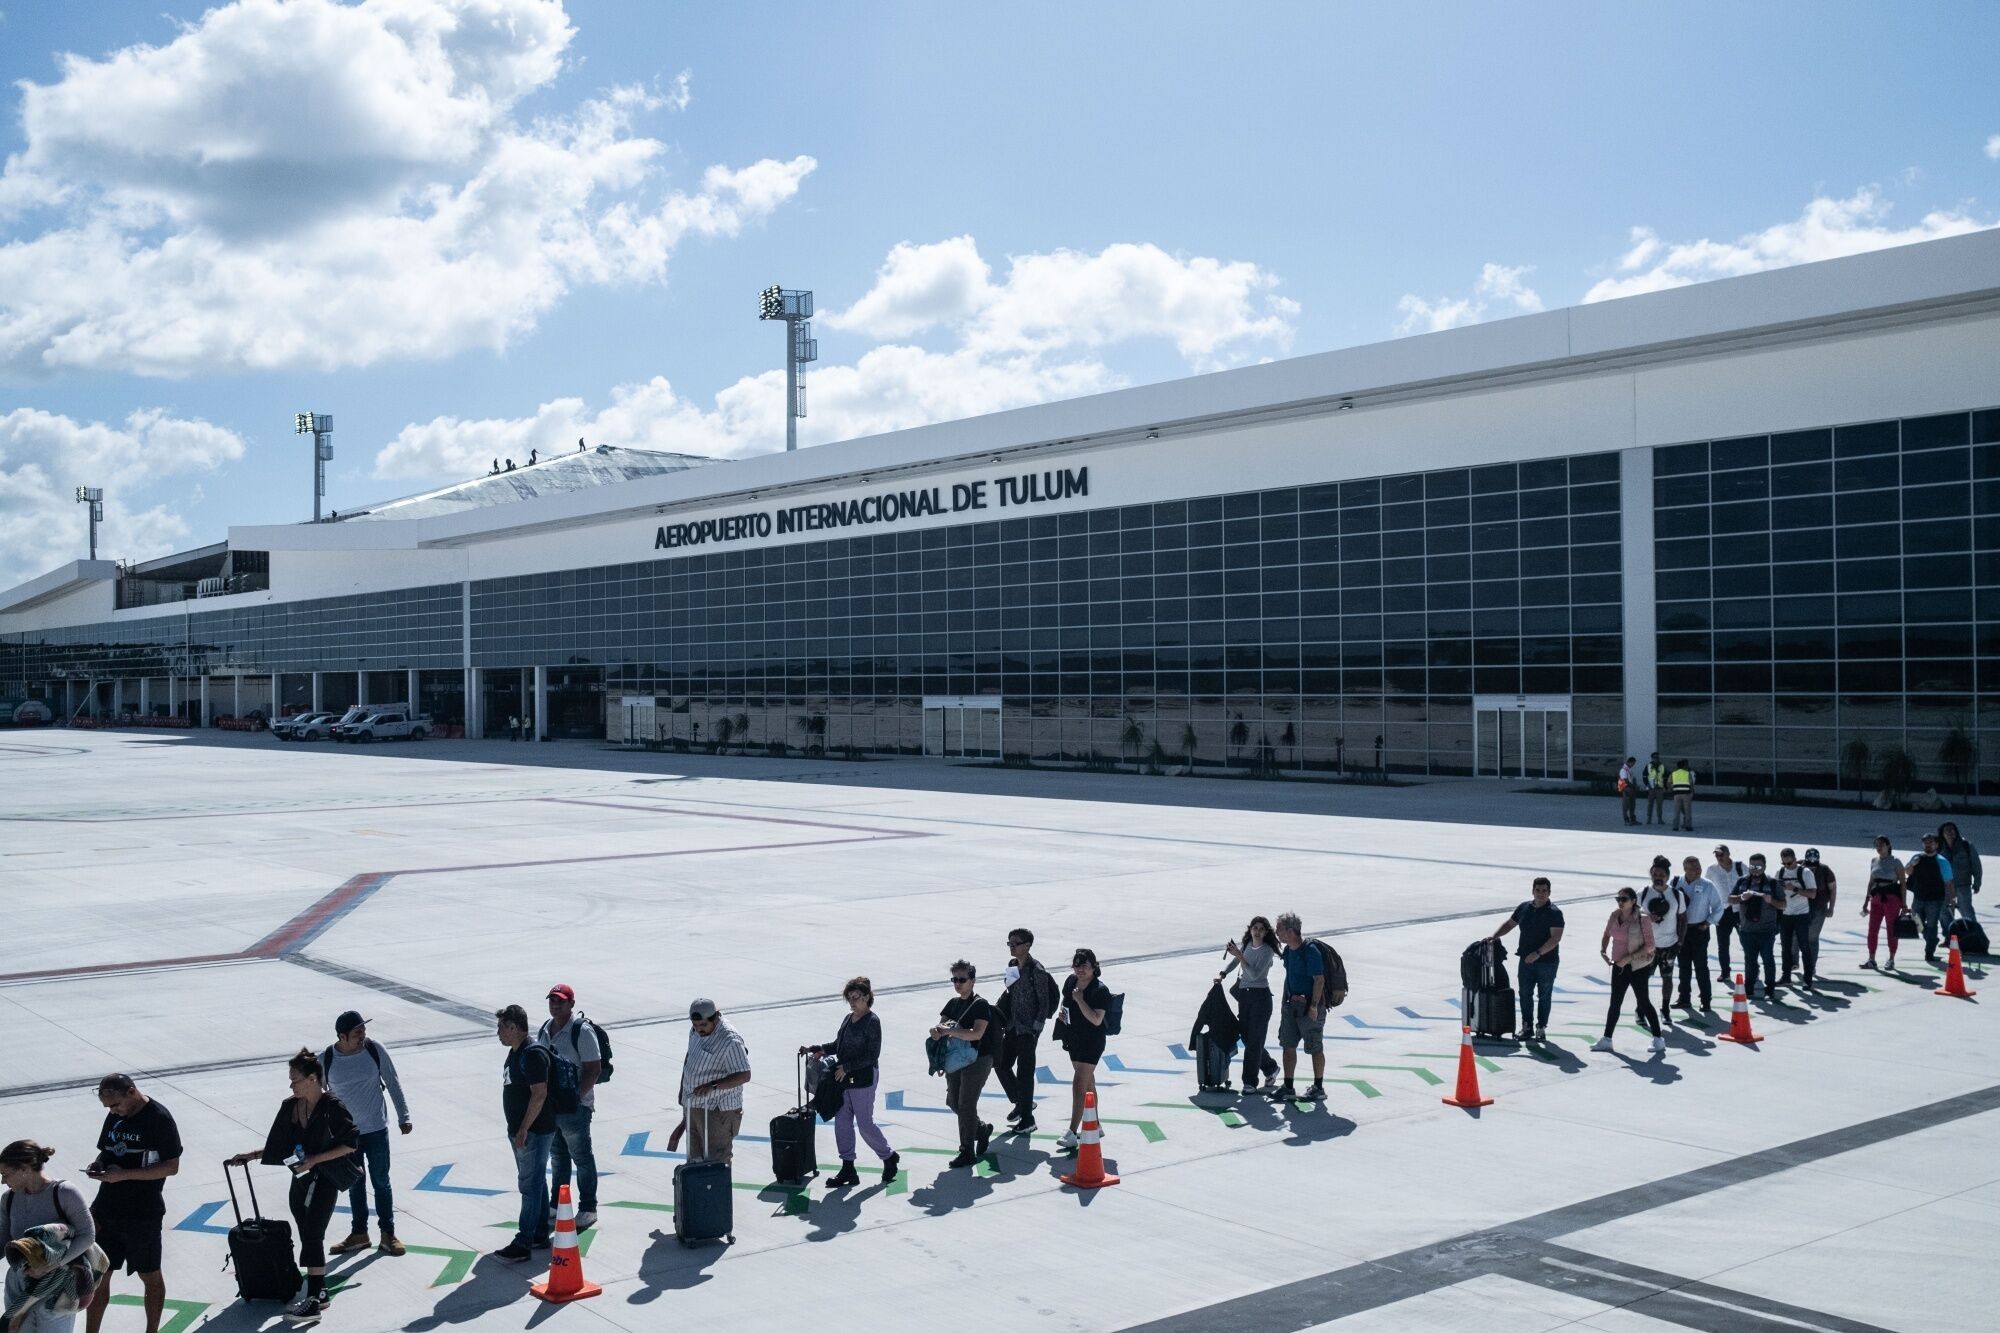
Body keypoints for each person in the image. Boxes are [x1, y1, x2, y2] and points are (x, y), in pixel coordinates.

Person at [224, 1050, 360, 1319]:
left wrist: (316, 1159)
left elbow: (351, 1143)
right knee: (306, 1232)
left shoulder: (332, 1107)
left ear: (312, 1079)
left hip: (325, 1178)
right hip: (300, 1179)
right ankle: (317, 1292)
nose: (291, 1085)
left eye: (295, 1080)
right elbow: (280, 1144)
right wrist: (250, 1155)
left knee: (313, 1234)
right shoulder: (291, 1106)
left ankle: (316, 1298)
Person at [82, 1075, 180, 1333]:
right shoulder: (115, 1116)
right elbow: (108, 1149)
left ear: (131, 1093)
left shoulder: (159, 1119)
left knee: (150, 1276)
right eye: (108, 1107)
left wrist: (123, 1175)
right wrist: (99, 1164)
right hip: (107, 1209)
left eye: (115, 1105)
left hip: (142, 1213)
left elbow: (171, 1167)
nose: (113, 1111)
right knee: (99, 1276)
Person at [321, 1013, 411, 1259]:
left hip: (377, 1130)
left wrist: (404, 1116)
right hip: (347, 1137)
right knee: (355, 1184)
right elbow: (314, 1097)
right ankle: (359, 1233)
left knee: (381, 1181)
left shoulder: (374, 1049)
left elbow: (392, 1081)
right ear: (342, 1036)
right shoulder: (327, 1059)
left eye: (363, 1031)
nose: (363, 1036)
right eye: (357, 1033)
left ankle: (388, 1234)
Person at [803, 977, 898, 1187]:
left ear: (866, 997)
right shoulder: (848, 1018)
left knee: (865, 1124)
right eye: (850, 999)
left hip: (863, 1078)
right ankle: (848, 1168)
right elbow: (839, 1044)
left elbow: (872, 1055)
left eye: (856, 998)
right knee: (842, 1122)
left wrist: (847, 1067)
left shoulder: (872, 1021)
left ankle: (888, 1156)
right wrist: (819, 1049)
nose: (853, 1003)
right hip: (843, 1078)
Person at [2, 1140, 97, 1333]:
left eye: (5, 1174)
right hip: (20, 1284)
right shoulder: (8, 1198)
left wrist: (51, 1265)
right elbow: (2, 1239)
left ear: (24, 1169)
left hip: (58, 1285)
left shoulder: (64, 1193)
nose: (3, 1181)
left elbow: (87, 1235)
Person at [491, 1006, 553, 1263]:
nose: (498, 1033)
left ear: (514, 1027)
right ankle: (539, 1233)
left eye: (501, 1027)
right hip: (523, 1132)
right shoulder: (516, 1053)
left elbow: (539, 1094)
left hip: (533, 1133)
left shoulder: (533, 1054)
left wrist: (524, 1128)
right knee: (536, 1182)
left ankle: (524, 1241)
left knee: (529, 1187)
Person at [537, 985, 600, 1231]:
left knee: (582, 1158)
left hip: (575, 1108)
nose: (555, 1005)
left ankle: (588, 1208)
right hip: (552, 1108)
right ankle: (558, 1204)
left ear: (571, 1004)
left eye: (561, 1002)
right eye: (552, 1001)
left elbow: (593, 1069)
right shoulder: (545, 1028)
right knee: (559, 1158)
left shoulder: (581, 1031)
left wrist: (575, 1097)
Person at [931, 962, 1000, 1168]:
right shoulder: (952, 1004)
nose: (958, 984)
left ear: (973, 981)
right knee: (953, 1102)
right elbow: (941, 1026)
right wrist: (936, 1032)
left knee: (966, 1104)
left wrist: (948, 1031)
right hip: (956, 1060)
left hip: (979, 1058)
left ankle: (967, 1151)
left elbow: (977, 1033)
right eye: (955, 980)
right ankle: (981, 1130)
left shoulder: (980, 1004)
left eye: (962, 980)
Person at [668, 999, 751, 1165]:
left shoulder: (730, 1040)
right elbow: (689, 1058)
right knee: (695, 1161)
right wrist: (683, 1095)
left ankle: (718, 1191)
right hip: (694, 1105)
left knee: (716, 1162)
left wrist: (713, 1086)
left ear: (716, 1017)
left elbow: (744, 1075)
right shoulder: (695, 1031)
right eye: (695, 1025)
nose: (699, 1030)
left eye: (703, 1025)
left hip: (717, 1110)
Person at [994, 928, 1058, 1135]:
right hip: (1012, 1026)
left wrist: (1036, 1028)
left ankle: (1028, 1120)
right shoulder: (1012, 965)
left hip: (1028, 1030)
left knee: (1025, 1073)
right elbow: (1010, 991)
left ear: (1028, 945)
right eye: (1009, 943)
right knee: (1001, 1064)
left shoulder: (1037, 971)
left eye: (1016, 943)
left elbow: (1044, 1002)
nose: (1012, 947)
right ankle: (1022, 1103)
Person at [1487, 878, 1563, 1040]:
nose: (1541, 894)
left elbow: (1555, 938)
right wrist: (1495, 936)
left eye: (1544, 891)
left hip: (1546, 962)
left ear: (1549, 892)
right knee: (1525, 994)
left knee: (1544, 995)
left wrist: (1538, 953)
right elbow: (1509, 924)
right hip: (1525, 961)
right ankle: (1526, 1026)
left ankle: (1541, 1027)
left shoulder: (1554, 913)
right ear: (1532, 891)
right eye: (1538, 890)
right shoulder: (1524, 908)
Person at [1595, 890, 1664, 1055]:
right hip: (1619, 966)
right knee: (1615, 1002)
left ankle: (1658, 1039)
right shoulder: (1614, 915)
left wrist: (1628, 958)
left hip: (1638, 966)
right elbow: (1606, 934)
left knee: (1643, 1001)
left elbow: (1650, 946)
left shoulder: (1643, 918)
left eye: (1624, 899)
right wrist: (1603, 951)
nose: (1620, 902)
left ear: (1633, 901)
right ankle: (1607, 1039)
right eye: (1618, 899)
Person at [1056, 949, 1113, 1148]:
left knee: (1079, 1083)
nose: (1080, 970)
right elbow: (1065, 1003)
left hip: (1092, 1042)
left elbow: (1097, 1020)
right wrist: (1063, 1014)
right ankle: (1095, 1124)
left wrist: (1080, 1000)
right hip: (1074, 1039)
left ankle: (1072, 1131)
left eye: (1084, 966)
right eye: (1076, 965)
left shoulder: (1099, 990)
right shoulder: (1070, 982)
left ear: (1094, 967)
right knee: (1088, 1084)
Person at [1220, 916, 1282, 1086]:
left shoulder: (1267, 950)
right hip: (1244, 995)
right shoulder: (1247, 945)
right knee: (1248, 1038)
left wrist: (1240, 955)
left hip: (1260, 997)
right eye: (1255, 927)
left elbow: (1255, 975)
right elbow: (1235, 962)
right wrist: (1223, 974)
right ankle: (1270, 1068)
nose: (1257, 931)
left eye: (1261, 928)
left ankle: (1249, 1082)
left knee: (1254, 1041)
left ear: (1266, 932)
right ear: (1250, 929)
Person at [1270, 913, 1326, 1102]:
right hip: (1291, 1007)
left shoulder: (1310, 950)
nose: (1277, 932)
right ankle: (1288, 1086)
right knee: (1288, 1046)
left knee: (1315, 1047)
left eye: (1279, 929)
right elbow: (1289, 976)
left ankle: (1318, 1087)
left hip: (1310, 1008)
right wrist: (1285, 1001)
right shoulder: (1289, 951)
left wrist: (1314, 1006)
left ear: (1290, 931)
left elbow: (1319, 980)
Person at [1636, 858, 1686, 1024]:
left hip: (1669, 945)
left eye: (1662, 874)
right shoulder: (1641, 893)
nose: (1658, 877)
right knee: (1643, 979)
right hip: (1647, 946)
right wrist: (1646, 918)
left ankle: (1665, 1009)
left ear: (1667, 876)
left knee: (1667, 978)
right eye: (1655, 874)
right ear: (1650, 874)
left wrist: (1679, 942)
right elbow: (1631, 917)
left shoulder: (1676, 895)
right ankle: (1640, 1008)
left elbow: (1682, 918)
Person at [1671, 856, 1722, 1015]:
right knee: (1684, 966)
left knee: (1701, 967)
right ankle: (1684, 998)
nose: (1697, 870)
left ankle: (1706, 1000)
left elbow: (1718, 907)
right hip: (1681, 931)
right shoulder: (1675, 883)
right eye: (1693, 868)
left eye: (1699, 867)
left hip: (1699, 929)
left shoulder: (1707, 885)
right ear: (1685, 869)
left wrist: (1707, 923)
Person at [1733, 856, 1783, 1000]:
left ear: (1764, 867)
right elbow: (1730, 899)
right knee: (1750, 960)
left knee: (1768, 960)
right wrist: (1742, 898)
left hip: (1766, 930)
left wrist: (1771, 900)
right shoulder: (1742, 881)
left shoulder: (1772, 883)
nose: (1755, 871)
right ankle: (1749, 989)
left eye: (1758, 867)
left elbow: (1783, 904)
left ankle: (1770, 990)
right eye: (1752, 867)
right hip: (1747, 930)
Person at [1905, 833, 1955, 964]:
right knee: (1917, 923)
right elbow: (1907, 871)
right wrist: (1912, 864)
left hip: (1935, 899)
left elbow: (1948, 882)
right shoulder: (1917, 858)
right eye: (1925, 842)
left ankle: (1929, 953)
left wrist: (1950, 900)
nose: (1928, 844)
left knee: (1932, 925)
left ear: (1936, 844)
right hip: (1919, 897)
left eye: (1931, 842)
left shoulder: (1942, 861)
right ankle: (1932, 940)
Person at [1774, 848, 1819, 991]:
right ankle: (1786, 976)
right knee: (1785, 947)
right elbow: (1775, 892)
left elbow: (1812, 894)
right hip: (1786, 914)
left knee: (1804, 946)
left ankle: (1807, 979)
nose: (1787, 866)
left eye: (1789, 863)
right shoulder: (1779, 873)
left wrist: (1795, 889)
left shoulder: (1805, 872)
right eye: (1784, 863)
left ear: (1795, 859)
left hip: (1801, 914)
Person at [1860, 836, 1906, 971]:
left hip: (1892, 898)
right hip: (1876, 898)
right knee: (1872, 929)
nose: (1879, 847)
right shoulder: (1874, 861)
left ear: (1888, 846)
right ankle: (1871, 958)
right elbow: (1871, 882)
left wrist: (1904, 904)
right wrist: (1866, 900)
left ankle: (1891, 959)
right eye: (1877, 845)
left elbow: (1903, 884)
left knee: (1892, 930)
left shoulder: (1896, 862)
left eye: (1881, 845)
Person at [1707, 845, 1744, 981]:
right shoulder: (1712, 870)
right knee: (1723, 944)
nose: (1719, 857)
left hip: (1740, 910)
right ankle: (1725, 972)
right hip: (1722, 911)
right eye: (1717, 855)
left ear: (1728, 853)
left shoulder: (1740, 867)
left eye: (1722, 854)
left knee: (1746, 942)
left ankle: (1753, 969)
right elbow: (1707, 889)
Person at [1802, 849, 1837, 986]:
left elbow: (1833, 889)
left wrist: (1831, 907)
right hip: (1801, 908)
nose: (1811, 869)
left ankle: (1811, 967)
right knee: (1794, 937)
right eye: (1809, 866)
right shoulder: (1800, 869)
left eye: (1814, 866)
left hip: (1819, 909)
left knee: (1812, 938)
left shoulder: (1825, 870)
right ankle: (1794, 962)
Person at [1937, 821, 1981, 924]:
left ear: (1956, 832)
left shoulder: (1966, 846)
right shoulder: (1938, 847)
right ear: (1942, 834)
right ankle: (1950, 935)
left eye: (1952, 830)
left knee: (1967, 912)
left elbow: (1976, 865)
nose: (1950, 832)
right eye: (1947, 830)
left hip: (1963, 885)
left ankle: (1973, 934)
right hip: (1945, 886)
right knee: (1945, 913)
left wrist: (1977, 882)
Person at [1669, 759, 1696, 832]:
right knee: (1687, 811)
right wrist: (1692, 793)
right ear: (1684, 766)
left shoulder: (1673, 773)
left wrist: (1672, 790)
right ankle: (1688, 826)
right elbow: (1691, 784)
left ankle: (1675, 827)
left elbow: (1669, 783)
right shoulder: (1687, 773)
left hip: (1677, 794)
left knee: (1676, 811)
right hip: (1686, 794)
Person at [1643, 752, 1666, 826]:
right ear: (1652, 758)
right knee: (1650, 804)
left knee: (1659, 804)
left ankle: (1660, 819)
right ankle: (1649, 819)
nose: (1656, 759)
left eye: (1657, 757)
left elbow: (1665, 776)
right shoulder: (1648, 766)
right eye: (1655, 757)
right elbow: (1644, 776)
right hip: (1651, 788)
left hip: (1659, 788)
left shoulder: (1662, 766)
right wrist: (1647, 785)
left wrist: (1665, 786)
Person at [1617, 757, 1638, 825]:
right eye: (1633, 763)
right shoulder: (1623, 770)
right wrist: (1632, 786)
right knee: (1626, 805)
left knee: (1632, 805)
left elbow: (1632, 778)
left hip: (1630, 789)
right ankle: (1626, 820)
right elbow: (1625, 780)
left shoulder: (1628, 769)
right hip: (1626, 789)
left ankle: (1633, 819)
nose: (1633, 765)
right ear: (1630, 762)